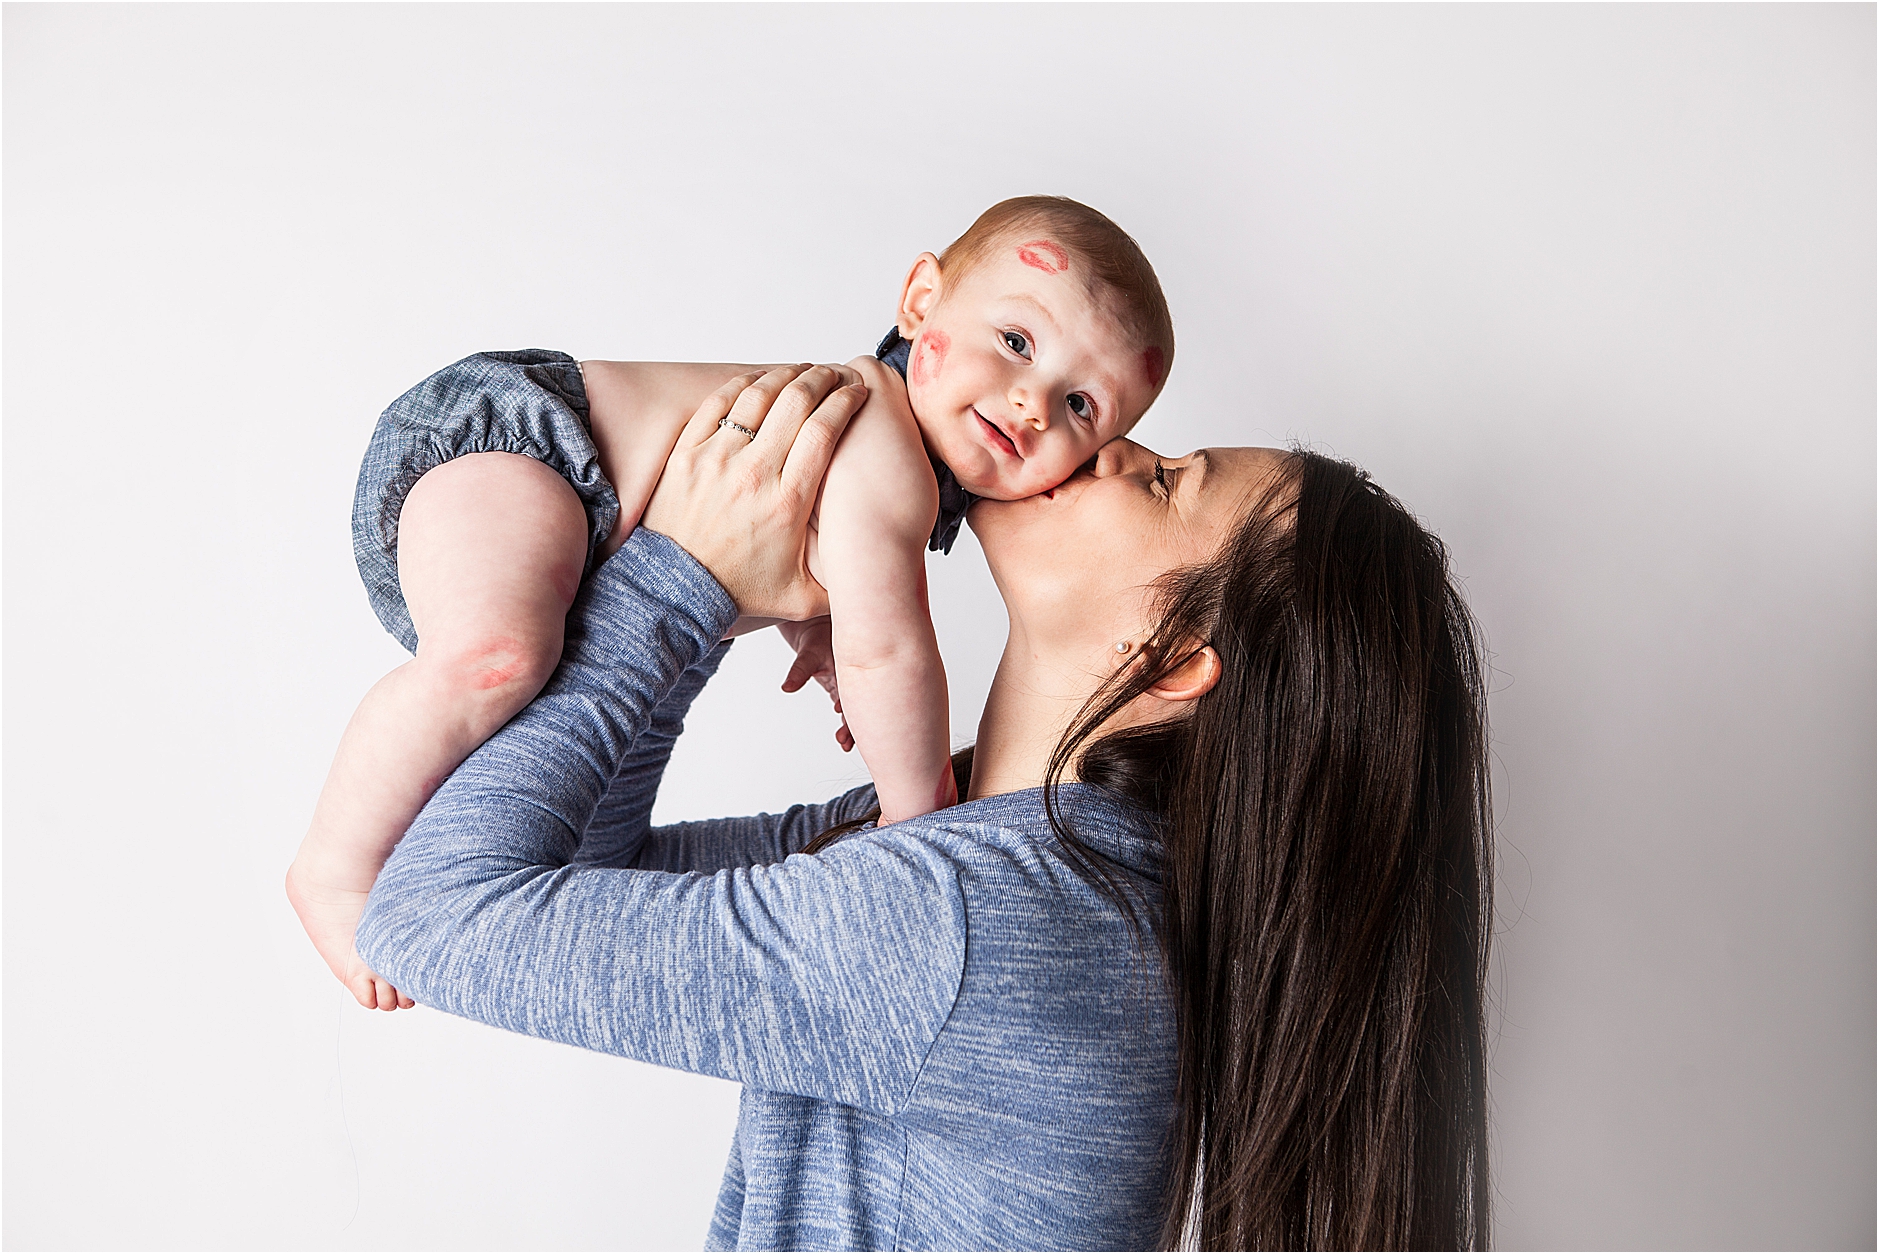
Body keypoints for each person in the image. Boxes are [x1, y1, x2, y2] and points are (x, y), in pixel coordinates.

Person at [356, 368, 1495, 1250]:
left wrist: (679, 575)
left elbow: (431, 910)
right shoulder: (991, 859)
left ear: (1175, 656)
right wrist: (710, 599)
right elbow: (587, 867)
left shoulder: (976, 918)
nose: (1107, 447)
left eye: (1158, 482)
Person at [289, 196, 1177, 1011]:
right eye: (1017, 342)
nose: (1031, 404)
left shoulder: (878, 455)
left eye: (1080, 405)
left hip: (545, 500)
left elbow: (788, 558)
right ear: (920, 301)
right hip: (523, 441)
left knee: (517, 684)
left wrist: (813, 623)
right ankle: (332, 869)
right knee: (495, 660)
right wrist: (920, 819)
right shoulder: (886, 445)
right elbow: (892, 655)